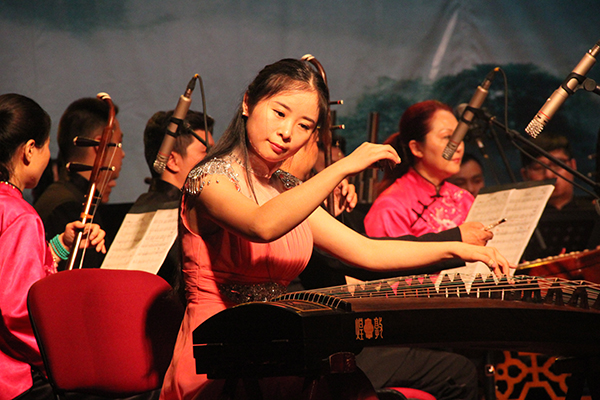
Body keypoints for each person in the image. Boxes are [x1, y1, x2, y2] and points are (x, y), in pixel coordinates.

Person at [159, 58, 512, 400]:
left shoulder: (285, 188)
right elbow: (261, 225)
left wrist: (456, 249)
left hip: (277, 345)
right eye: (280, 113)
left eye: (304, 126)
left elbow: (366, 251)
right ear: (249, 102)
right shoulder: (208, 179)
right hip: (219, 352)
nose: (287, 133)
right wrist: (343, 167)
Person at [0, 93, 105, 400]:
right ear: (29, 150)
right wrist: (61, 356)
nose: (49, 157)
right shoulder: (20, 215)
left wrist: (59, 246)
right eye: (47, 147)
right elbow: (15, 311)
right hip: (15, 380)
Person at [123, 109, 214, 287]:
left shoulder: (143, 203)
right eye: (206, 152)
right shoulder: (186, 214)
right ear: (172, 161)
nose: (216, 162)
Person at [34, 97, 125, 270]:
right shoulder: (70, 207)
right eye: (118, 144)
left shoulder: (62, 196)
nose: (123, 153)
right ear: (100, 145)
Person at [364, 100, 476, 239]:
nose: (458, 147)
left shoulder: (464, 199)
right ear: (417, 148)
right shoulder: (391, 207)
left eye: (460, 137)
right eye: (447, 137)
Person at [520, 133, 599, 261]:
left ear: (573, 165)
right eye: (538, 167)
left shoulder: (595, 209)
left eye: (557, 164)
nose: (549, 174)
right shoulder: (519, 221)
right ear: (525, 174)